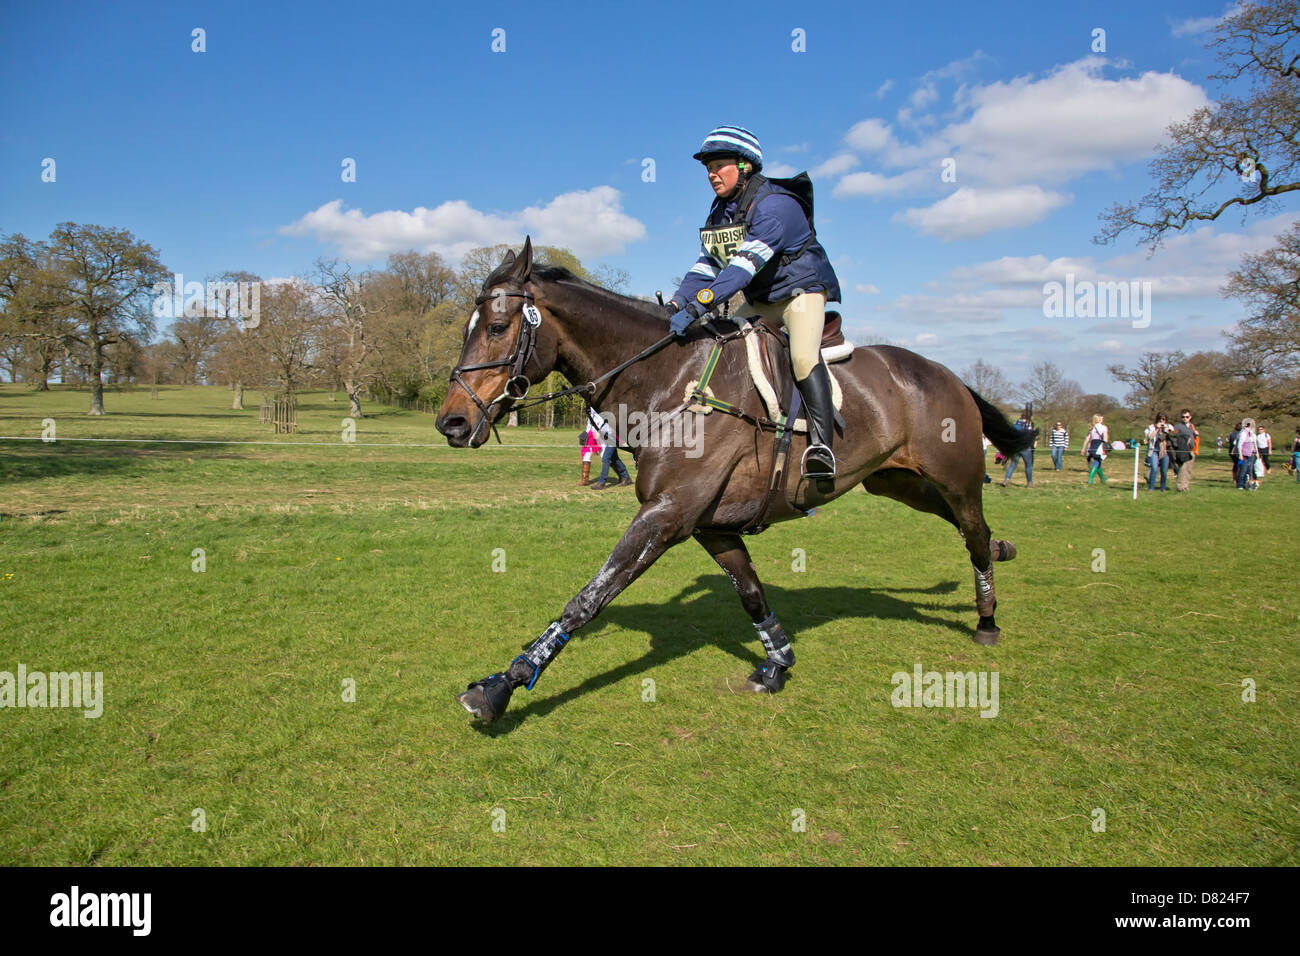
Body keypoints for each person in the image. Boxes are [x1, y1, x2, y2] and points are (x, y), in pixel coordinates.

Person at [665, 125, 842, 484]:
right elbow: (706, 266)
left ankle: (823, 447)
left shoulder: (777, 205)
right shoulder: (720, 213)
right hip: (762, 299)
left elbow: (742, 267)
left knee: (804, 357)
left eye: (719, 165)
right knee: (719, 347)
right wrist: (675, 303)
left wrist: (701, 304)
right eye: (707, 168)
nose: (712, 174)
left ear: (745, 166)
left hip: (800, 293)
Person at [588, 407, 632, 490]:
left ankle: (602, 482)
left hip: (613, 436)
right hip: (609, 436)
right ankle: (626, 477)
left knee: (606, 458)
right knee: (614, 458)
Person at [1002, 409, 1038, 486]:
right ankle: (1030, 482)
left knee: (1013, 464)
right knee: (1028, 465)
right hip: (1025, 447)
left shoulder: (1016, 423)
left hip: (1016, 446)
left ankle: (1006, 480)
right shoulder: (1029, 424)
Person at [1144, 412, 1175, 491]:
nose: (1162, 421)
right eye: (1160, 419)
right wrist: (1157, 429)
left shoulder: (1169, 426)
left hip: (1164, 451)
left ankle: (1163, 488)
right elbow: (1149, 437)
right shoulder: (1151, 427)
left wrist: (1168, 430)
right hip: (1154, 450)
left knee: (1164, 471)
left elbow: (1174, 435)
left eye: (1163, 419)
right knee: (1154, 468)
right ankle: (1151, 487)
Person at [1172, 408, 1199, 492]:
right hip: (1182, 450)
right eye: (1183, 417)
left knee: (1188, 469)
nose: (1185, 418)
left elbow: (1193, 437)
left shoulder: (1192, 426)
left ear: (1190, 417)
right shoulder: (1177, 426)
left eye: (1187, 417)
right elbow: (1173, 437)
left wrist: (1195, 435)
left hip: (1191, 450)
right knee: (1183, 469)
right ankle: (1180, 486)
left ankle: (1186, 486)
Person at [1083, 414, 1110, 484]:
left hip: (1092, 446)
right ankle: (1090, 479)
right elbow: (1105, 438)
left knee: (1098, 462)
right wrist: (1105, 448)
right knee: (1097, 462)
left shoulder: (1092, 428)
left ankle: (1102, 478)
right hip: (1099, 445)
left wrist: (1083, 449)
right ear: (1100, 419)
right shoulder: (1103, 427)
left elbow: (1087, 439)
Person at [577, 421, 603, 486]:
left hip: (600, 438)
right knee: (586, 455)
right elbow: (588, 426)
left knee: (606, 457)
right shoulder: (590, 413)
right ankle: (584, 480)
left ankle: (623, 475)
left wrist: (598, 432)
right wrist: (586, 434)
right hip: (589, 437)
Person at [1236, 418, 1258, 490]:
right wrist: (1240, 455)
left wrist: (1257, 453)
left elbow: (1254, 443)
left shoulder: (1252, 434)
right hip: (1244, 454)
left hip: (1251, 454)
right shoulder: (1243, 433)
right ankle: (1240, 485)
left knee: (1249, 470)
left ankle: (1247, 484)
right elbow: (1240, 444)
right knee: (1243, 470)